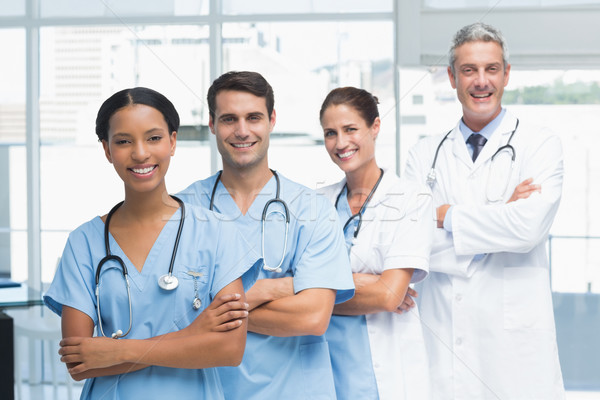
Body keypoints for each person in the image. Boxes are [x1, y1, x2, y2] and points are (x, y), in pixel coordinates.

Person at [44, 87, 260, 400]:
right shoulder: (84, 243)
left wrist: (115, 352)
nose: (141, 153)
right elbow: (80, 362)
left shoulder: (217, 233)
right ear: (106, 150)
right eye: (123, 141)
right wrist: (190, 337)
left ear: (173, 141)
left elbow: (228, 349)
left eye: (154, 138)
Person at [403, 22, 565, 399]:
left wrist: (446, 216)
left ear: (506, 74)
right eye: (469, 70)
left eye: (491, 69)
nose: (481, 81)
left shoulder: (540, 145)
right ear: (451, 77)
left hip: (514, 353)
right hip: (443, 341)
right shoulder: (423, 154)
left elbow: (527, 230)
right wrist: (500, 214)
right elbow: (413, 243)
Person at [177, 71, 355, 400]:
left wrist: (214, 310)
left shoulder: (312, 209)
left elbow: (314, 316)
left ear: (271, 120)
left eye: (253, 117)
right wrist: (279, 287)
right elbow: (173, 315)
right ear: (212, 124)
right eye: (229, 119)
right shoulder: (182, 210)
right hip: (210, 389)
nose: (242, 131)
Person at [317, 86, 433, 400]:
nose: (340, 143)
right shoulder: (316, 203)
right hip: (323, 367)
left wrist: (317, 294)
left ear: (375, 127)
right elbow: (293, 291)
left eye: (350, 129)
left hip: (383, 373)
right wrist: (369, 285)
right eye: (330, 133)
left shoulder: (411, 198)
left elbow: (388, 296)